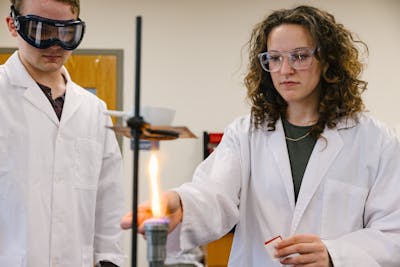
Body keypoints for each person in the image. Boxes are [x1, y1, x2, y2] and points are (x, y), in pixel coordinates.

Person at [121, 5, 400, 267]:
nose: (285, 70)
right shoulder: (246, 134)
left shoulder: (375, 141)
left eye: (299, 56)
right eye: (274, 58)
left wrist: (334, 254)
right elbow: (214, 193)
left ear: (327, 60)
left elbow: (393, 231)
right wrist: (179, 204)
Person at [0, 0, 125, 266]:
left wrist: (109, 260)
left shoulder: (95, 111)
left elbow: (109, 201)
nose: (55, 44)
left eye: (67, 32)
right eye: (41, 31)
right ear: (13, 25)